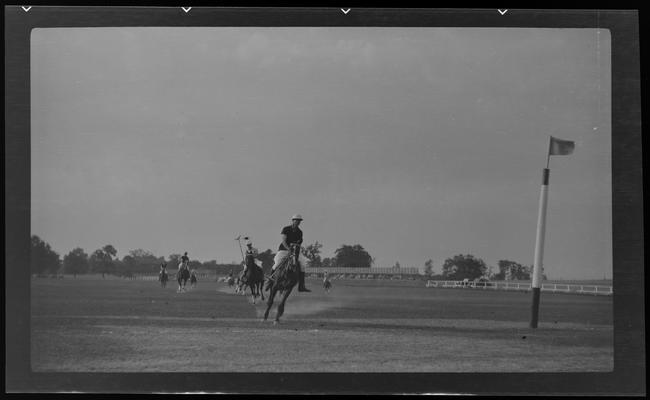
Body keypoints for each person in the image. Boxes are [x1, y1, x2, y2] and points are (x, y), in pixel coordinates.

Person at [268, 214, 311, 292]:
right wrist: (289, 249)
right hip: (283, 250)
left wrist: (295, 250)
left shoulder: (300, 232)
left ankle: (301, 286)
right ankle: (270, 280)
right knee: (277, 263)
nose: (298, 222)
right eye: (297, 220)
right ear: (293, 220)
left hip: (294, 251)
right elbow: (284, 241)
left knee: (303, 264)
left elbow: (299, 243)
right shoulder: (286, 229)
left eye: (299, 221)